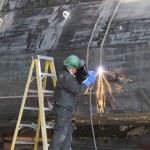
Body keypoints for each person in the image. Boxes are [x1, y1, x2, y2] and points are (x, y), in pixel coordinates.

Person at [49, 55, 97, 150]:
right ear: (70, 68)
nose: (77, 69)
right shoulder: (67, 78)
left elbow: (75, 79)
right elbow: (78, 89)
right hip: (63, 109)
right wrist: (88, 81)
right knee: (60, 136)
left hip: (65, 109)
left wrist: (85, 74)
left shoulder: (65, 74)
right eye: (76, 68)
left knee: (67, 135)